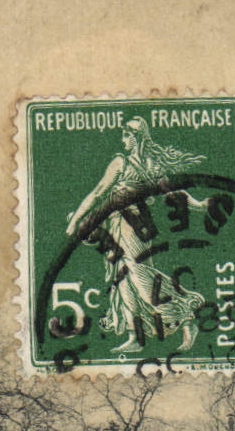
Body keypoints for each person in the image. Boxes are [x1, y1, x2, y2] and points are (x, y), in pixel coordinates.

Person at [64, 117, 207, 354]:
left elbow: (173, 193)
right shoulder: (119, 162)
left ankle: (186, 315)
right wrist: (78, 219)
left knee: (140, 277)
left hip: (137, 228)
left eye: (126, 136)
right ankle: (136, 337)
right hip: (116, 227)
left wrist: (199, 205)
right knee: (122, 280)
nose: (123, 141)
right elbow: (98, 192)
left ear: (137, 137)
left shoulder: (149, 166)